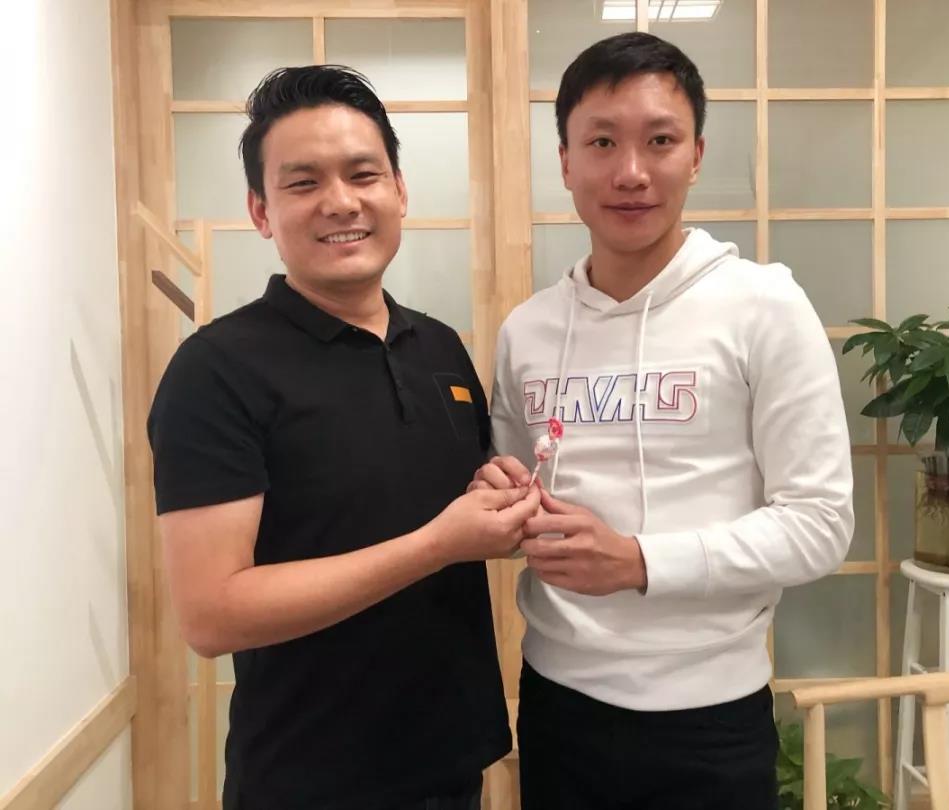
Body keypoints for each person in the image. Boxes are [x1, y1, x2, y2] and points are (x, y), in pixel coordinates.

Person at [472, 33, 854, 809]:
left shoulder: (764, 306)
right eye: (602, 142)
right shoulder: (528, 331)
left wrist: (639, 561)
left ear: (697, 154)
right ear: (565, 161)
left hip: (711, 718)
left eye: (660, 140)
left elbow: (820, 524)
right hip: (556, 705)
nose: (631, 172)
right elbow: (516, 503)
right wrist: (500, 499)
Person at [147, 65, 539, 810]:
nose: (341, 202)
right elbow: (211, 613)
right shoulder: (217, 370)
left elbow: (438, 504)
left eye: (363, 174)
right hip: (307, 781)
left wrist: (496, 500)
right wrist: (437, 544)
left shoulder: (440, 349)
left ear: (400, 190)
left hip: (454, 764)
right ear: (261, 212)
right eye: (303, 183)